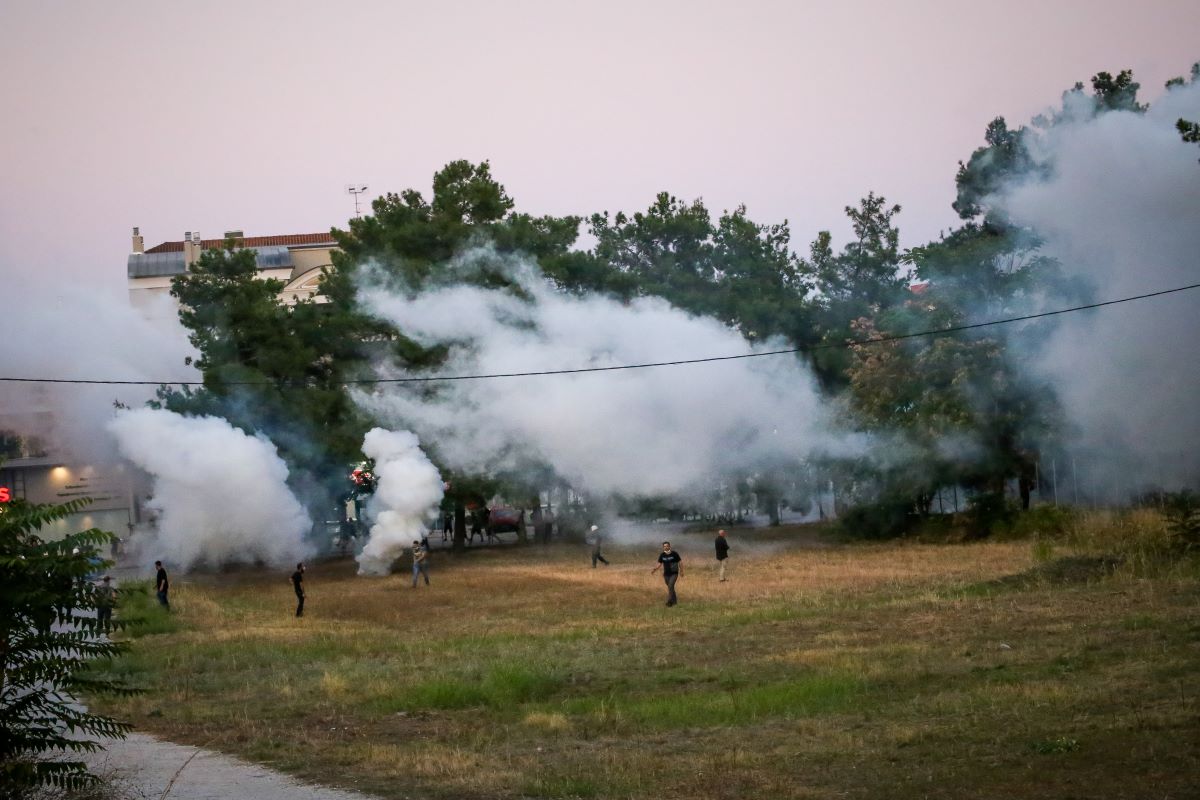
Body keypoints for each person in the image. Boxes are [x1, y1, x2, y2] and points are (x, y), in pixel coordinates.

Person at [651, 541, 683, 606]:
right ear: (663, 547)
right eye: (664, 546)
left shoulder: (674, 554)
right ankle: (675, 602)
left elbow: (680, 562)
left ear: (669, 546)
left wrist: (681, 571)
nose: (666, 547)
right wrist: (654, 569)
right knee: (670, 587)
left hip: (674, 573)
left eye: (667, 546)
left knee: (670, 586)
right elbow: (659, 563)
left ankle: (669, 601)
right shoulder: (662, 555)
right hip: (666, 574)